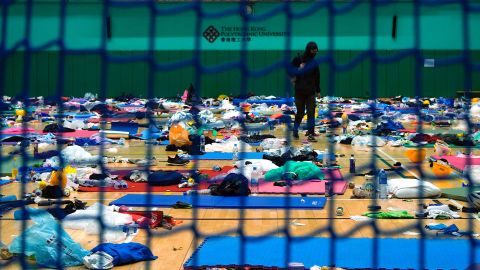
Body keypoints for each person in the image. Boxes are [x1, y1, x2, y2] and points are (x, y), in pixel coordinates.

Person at [290, 41, 320, 142]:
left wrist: (318, 90)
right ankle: (295, 129)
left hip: (310, 92)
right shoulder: (298, 59)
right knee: (300, 113)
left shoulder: (314, 63)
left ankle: (311, 133)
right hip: (299, 91)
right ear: (308, 50)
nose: (314, 54)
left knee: (311, 113)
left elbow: (317, 77)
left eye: (316, 52)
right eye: (313, 51)